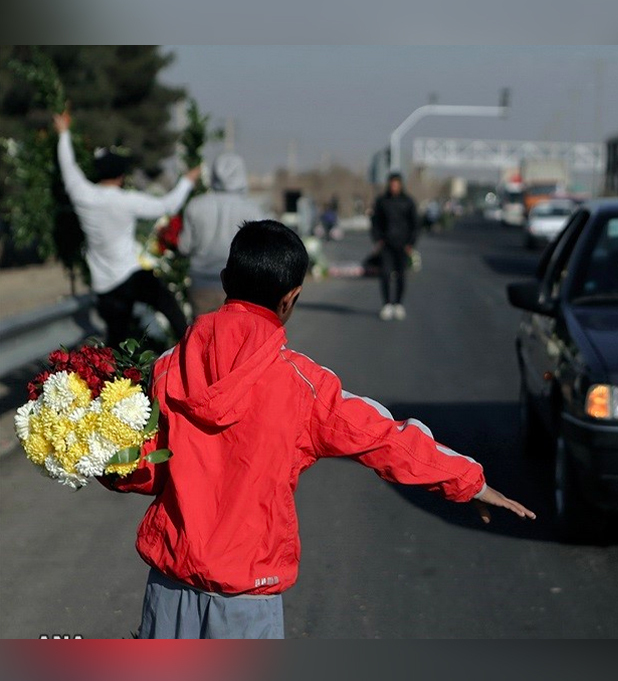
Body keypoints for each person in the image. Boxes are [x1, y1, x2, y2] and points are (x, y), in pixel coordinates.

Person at [98, 220, 534, 639]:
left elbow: (143, 469)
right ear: (291, 298)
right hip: (248, 596)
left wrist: (91, 453)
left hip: (168, 587)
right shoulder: (303, 386)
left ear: (227, 278)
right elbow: (384, 437)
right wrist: (467, 481)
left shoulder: (166, 368)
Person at [54, 109, 201, 348]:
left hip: (103, 285)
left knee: (115, 342)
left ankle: (114, 381)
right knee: (168, 305)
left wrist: (63, 133)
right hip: (129, 277)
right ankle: (191, 345)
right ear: (121, 176)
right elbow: (168, 205)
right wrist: (187, 181)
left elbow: (67, 167)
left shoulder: (82, 195)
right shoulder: (126, 200)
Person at [177, 152, 268, 317]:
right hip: (240, 290)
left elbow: (184, 247)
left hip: (201, 285)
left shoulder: (196, 205)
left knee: (202, 337)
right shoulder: (254, 210)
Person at [371, 172, 418, 320]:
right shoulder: (382, 201)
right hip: (386, 244)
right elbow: (375, 222)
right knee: (385, 274)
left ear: (400, 185)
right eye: (392, 184)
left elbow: (415, 224)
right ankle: (387, 305)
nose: (394, 187)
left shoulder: (408, 202)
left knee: (401, 275)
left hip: (403, 245)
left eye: (396, 184)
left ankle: (398, 304)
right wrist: (378, 239)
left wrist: (410, 243)